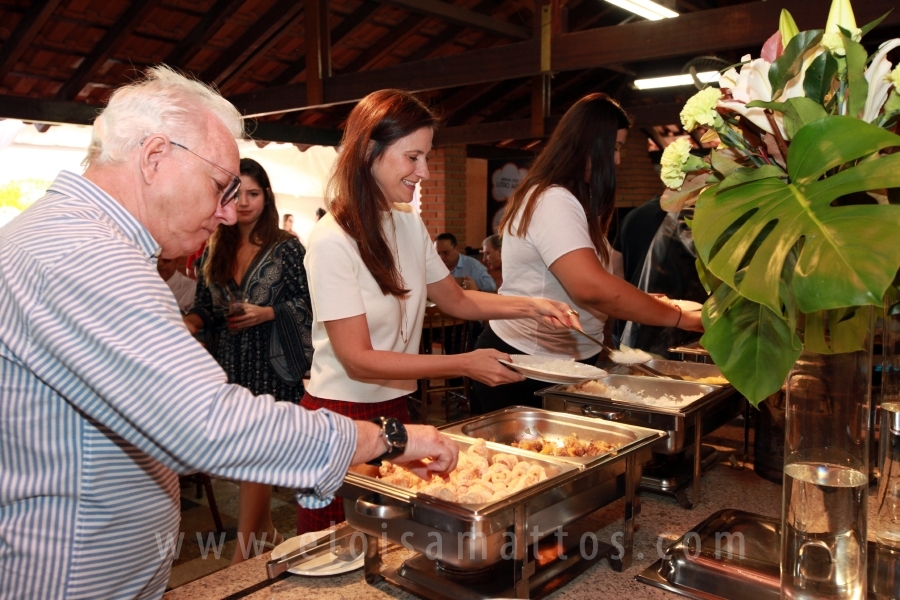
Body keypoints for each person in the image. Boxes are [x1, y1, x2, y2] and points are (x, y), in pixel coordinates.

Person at [0, 66, 457, 600]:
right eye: (220, 188)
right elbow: (207, 423)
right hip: (68, 576)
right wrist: (387, 439)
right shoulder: (89, 256)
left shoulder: (69, 235)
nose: (224, 213)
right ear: (154, 158)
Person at [299, 88, 578, 533]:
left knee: (395, 538)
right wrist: (464, 363)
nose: (424, 172)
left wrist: (532, 305)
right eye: (413, 157)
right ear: (369, 152)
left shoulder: (407, 221)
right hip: (341, 413)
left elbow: (456, 299)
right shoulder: (332, 238)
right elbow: (358, 358)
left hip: (395, 408)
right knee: (337, 544)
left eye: (426, 157)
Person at [472, 93, 703, 414]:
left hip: (563, 363)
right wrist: (681, 318)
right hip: (528, 365)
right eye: (615, 148)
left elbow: (596, 285)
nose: (617, 161)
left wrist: (649, 302)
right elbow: (591, 288)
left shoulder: (573, 202)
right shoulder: (552, 200)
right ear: (589, 144)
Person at [183, 158, 309, 564]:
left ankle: (243, 555)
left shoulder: (287, 248)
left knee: (259, 453)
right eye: (235, 195)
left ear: (266, 197)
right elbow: (207, 306)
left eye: (252, 194)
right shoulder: (215, 245)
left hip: (274, 364)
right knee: (244, 456)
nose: (243, 203)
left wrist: (268, 313)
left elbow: (312, 302)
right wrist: (189, 321)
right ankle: (266, 532)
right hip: (231, 366)